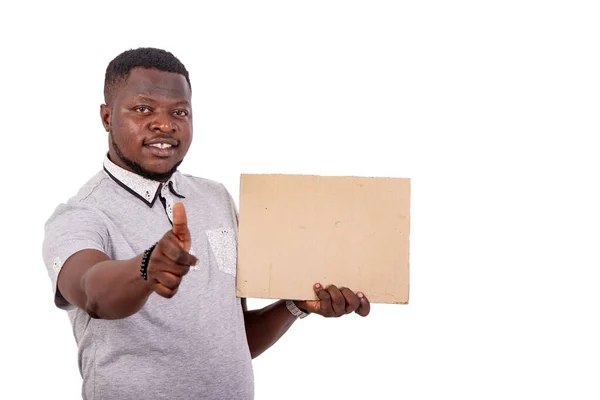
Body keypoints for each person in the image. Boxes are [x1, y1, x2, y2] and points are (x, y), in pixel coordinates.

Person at [42, 47, 371, 400]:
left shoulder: (216, 198)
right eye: (143, 109)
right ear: (107, 118)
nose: (165, 124)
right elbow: (93, 293)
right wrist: (146, 269)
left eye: (179, 112)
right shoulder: (80, 215)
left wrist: (297, 305)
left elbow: (233, 340)